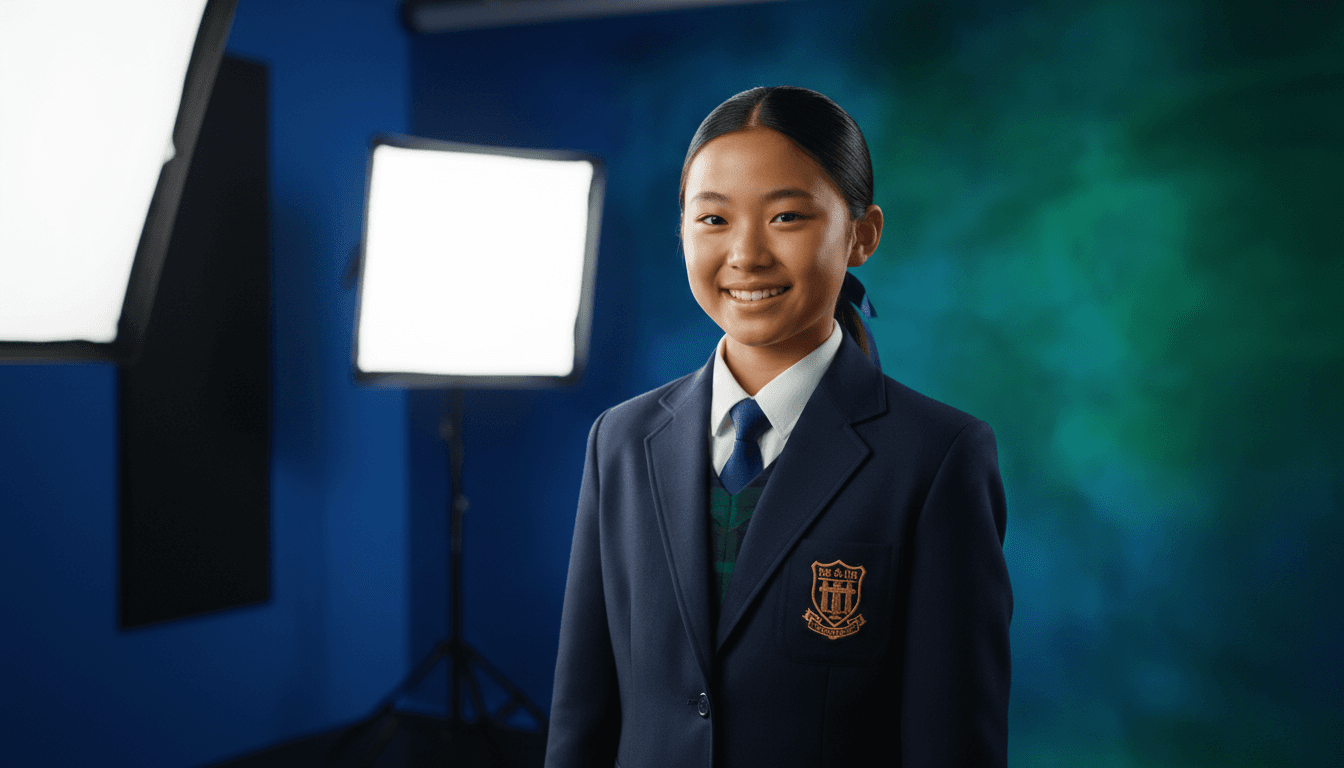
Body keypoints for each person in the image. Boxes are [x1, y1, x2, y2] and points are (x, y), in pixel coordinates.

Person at [545, 86, 1011, 768]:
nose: (746, 254)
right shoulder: (619, 440)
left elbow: (953, 744)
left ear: (862, 234)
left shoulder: (938, 458)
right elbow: (582, 713)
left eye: (787, 216)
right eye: (712, 220)